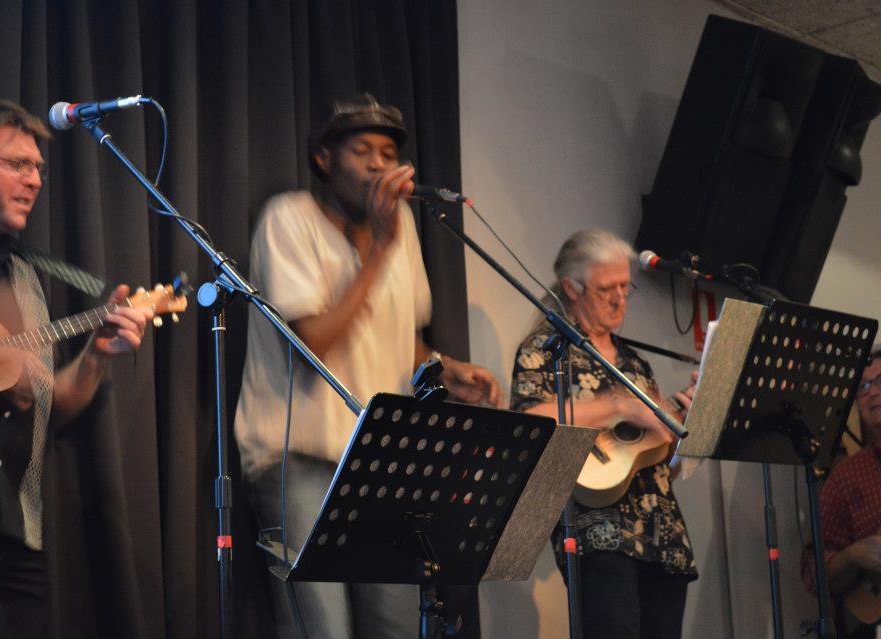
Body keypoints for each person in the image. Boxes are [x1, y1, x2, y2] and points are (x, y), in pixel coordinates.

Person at [234, 94, 501, 638]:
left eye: (388, 153)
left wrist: (447, 369)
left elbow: (401, 337)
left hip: (380, 460)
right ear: (324, 159)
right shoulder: (289, 219)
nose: (379, 165)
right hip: (299, 461)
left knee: (399, 627)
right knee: (323, 630)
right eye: (362, 151)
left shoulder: (400, 226)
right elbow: (313, 345)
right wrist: (379, 248)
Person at [0, 96, 153, 639]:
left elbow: (52, 405)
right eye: (17, 164)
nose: (33, 181)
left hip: (17, 525)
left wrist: (95, 356)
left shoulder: (23, 276)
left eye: (39, 169)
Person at [510, 229, 697, 639]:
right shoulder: (546, 350)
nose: (619, 299)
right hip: (598, 535)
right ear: (570, 289)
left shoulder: (635, 364)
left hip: (662, 535)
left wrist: (684, 423)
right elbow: (529, 423)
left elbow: (658, 462)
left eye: (625, 287)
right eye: (605, 289)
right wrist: (616, 405)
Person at [802, 349, 881, 638]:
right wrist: (856, 555)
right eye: (863, 387)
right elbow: (812, 574)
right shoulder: (847, 477)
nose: (872, 393)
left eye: (880, 381)